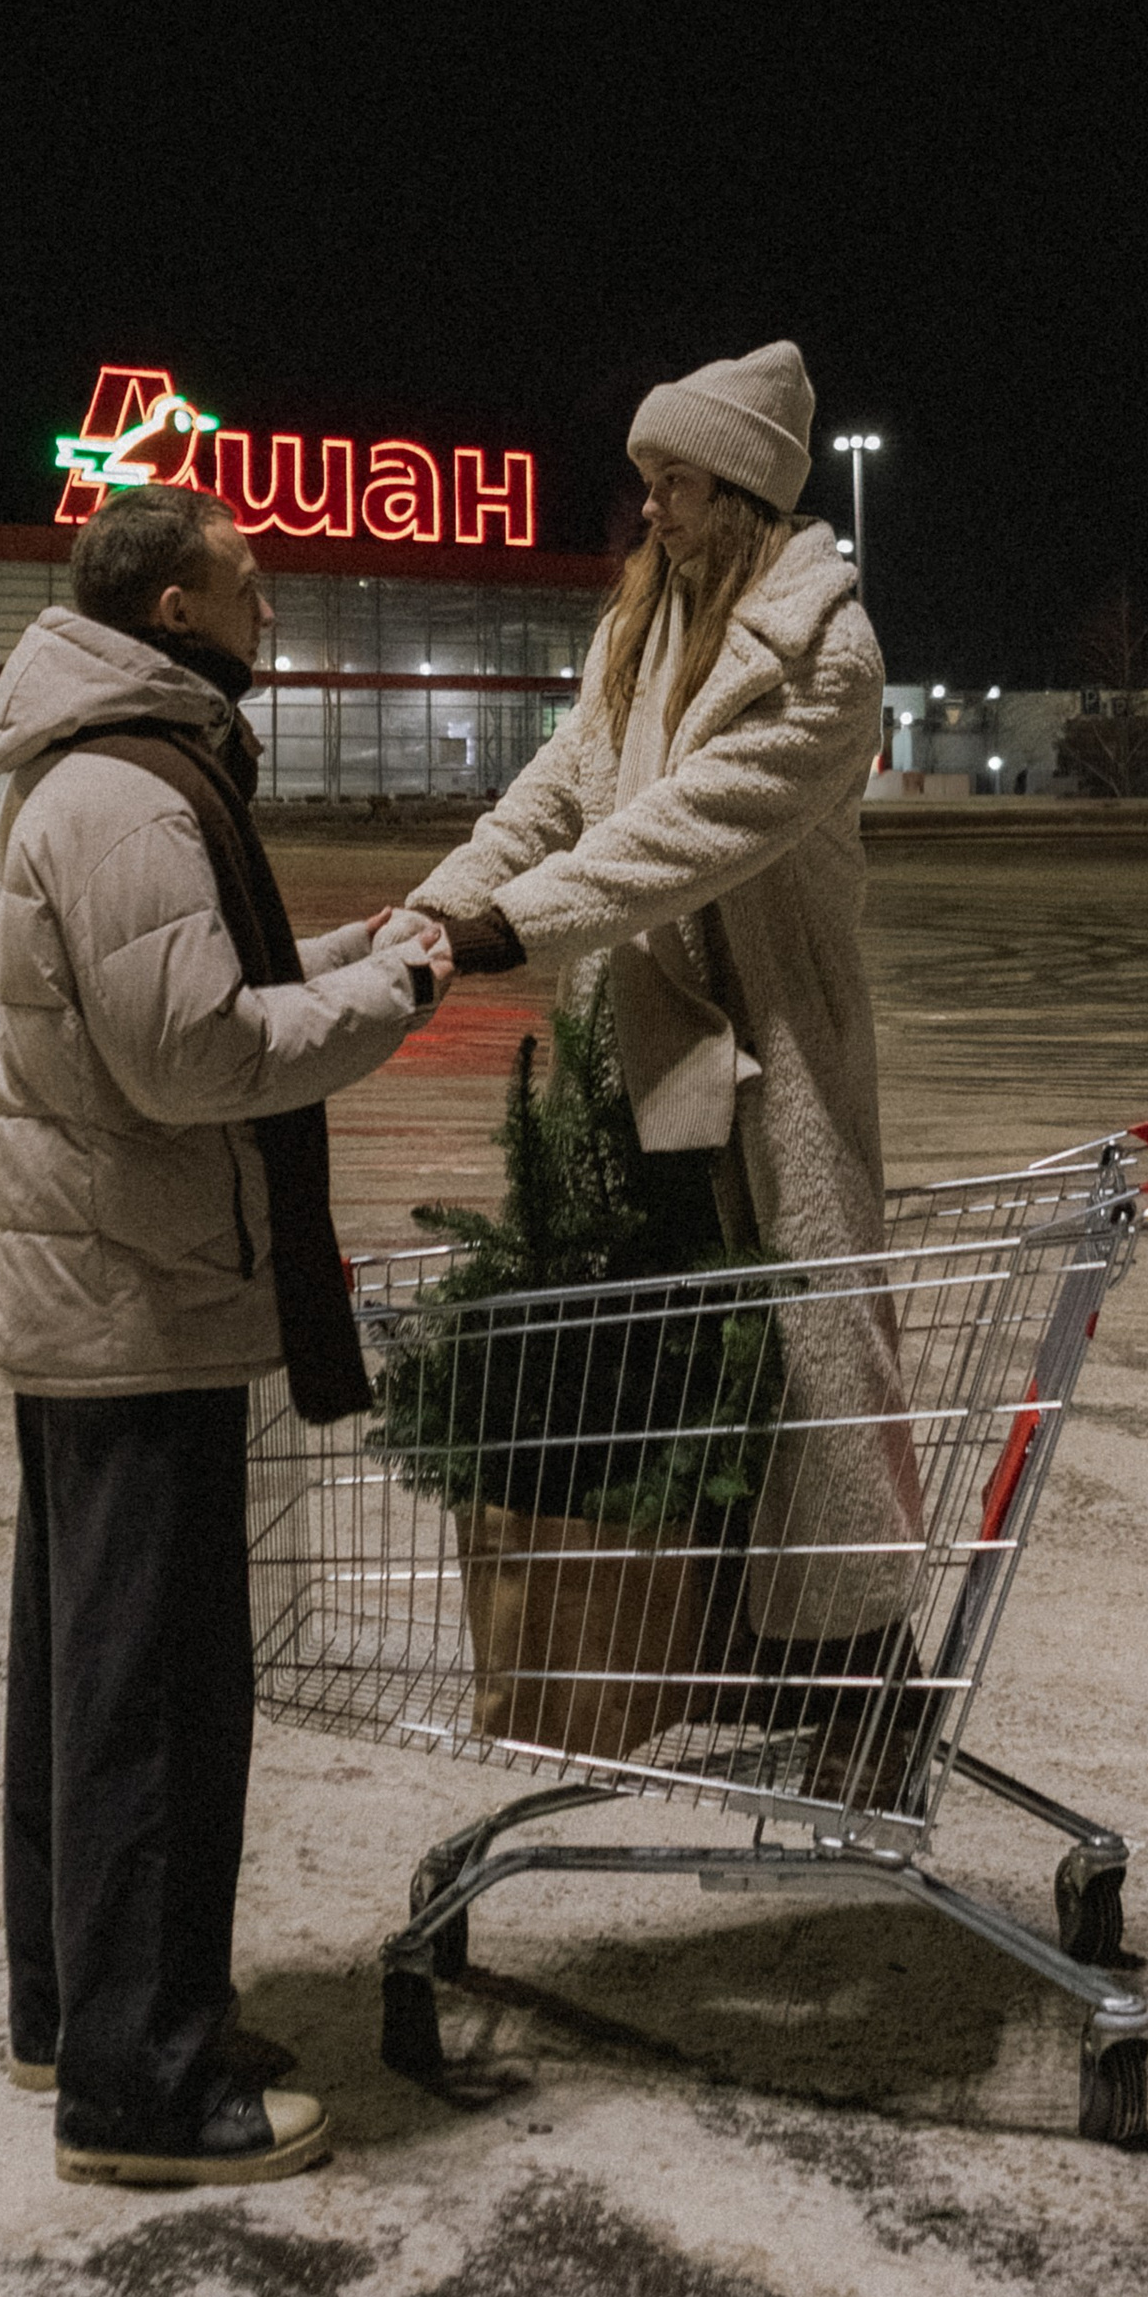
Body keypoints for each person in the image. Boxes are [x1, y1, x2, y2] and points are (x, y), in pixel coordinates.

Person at [0, 485, 452, 2187]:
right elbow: (196, 1057)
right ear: (174, 610)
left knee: (92, 1689)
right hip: (139, 1297)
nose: (273, 607)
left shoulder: (115, 769)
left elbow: (195, 981)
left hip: (108, 1289)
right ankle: (144, 2093)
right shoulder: (126, 794)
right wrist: (395, 996)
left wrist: (348, 950)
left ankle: (79, 2022)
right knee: (156, 1708)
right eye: (251, 582)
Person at [402, 341, 924, 1682]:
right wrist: (439, 903)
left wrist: (508, 928)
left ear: (742, 493)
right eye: (648, 479)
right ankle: (704, 1651)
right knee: (665, 1364)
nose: (651, 507)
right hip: (640, 1048)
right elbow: (558, 791)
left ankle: (853, 1665)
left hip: (771, 1042)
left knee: (804, 1354)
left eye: (675, 482)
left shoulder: (827, 657)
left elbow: (684, 834)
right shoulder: (643, 628)